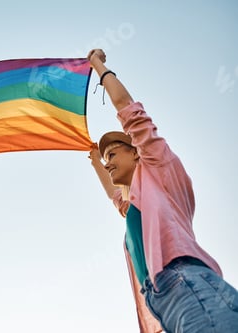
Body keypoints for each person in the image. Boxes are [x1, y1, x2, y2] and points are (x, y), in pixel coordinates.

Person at [87, 49, 238, 333]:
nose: (109, 164)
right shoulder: (137, 202)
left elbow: (129, 110)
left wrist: (97, 66)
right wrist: (96, 160)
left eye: (113, 155)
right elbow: (115, 197)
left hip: (187, 282)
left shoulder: (157, 165)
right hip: (168, 300)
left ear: (136, 153)